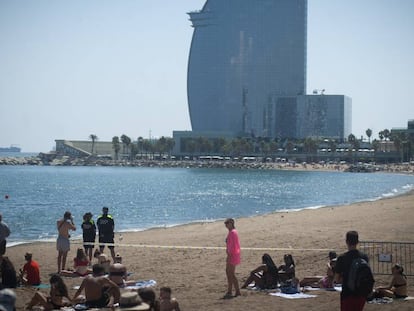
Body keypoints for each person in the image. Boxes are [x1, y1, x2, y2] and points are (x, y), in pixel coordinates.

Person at [334, 230, 369, 311]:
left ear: (347, 242)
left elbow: (336, 279)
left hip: (348, 293)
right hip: (361, 293)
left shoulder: (342, 258)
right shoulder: (364, 257)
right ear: (357, 242)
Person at [223, 218, 241, 298]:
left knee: (231, 273)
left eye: (227, 223)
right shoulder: (232, 232)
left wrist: (229, 256)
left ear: (231, 223)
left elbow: (233, 246)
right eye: (225, 223)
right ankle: (230, 290)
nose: (226, 225)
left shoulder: (233, 232)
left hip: (233, 255)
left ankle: (237, 291)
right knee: (228, 272)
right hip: (233, 254)